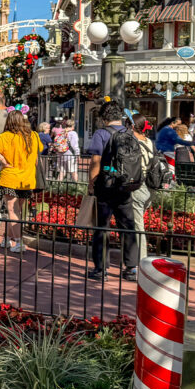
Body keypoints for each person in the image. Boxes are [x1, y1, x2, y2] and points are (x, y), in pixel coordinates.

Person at [86, 101, 139, 281]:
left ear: (103, 118)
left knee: (102, 227)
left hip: (106, 185)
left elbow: (96, 161)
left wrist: (91, 183)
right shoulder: (129, 133)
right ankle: (131, 268)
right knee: (128, 226)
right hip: (125, 185)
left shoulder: (101, 134)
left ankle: (101, 269)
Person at [0, 110, 43, 254]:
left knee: (12, 210)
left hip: (10, 178)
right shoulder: (33, 135)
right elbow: (39, 151)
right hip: (27, 178)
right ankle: (7, 238)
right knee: (17, 211)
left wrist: (2, 160)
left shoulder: (6, 136)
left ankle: (18, 242)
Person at [130, 114, 156, 263]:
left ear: (132, 127)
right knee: (135, 224)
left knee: (137, 227)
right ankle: (131, 255)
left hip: (138, 186)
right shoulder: (149, 142)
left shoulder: (133, 143)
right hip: (149, 187)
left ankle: (141, 260)